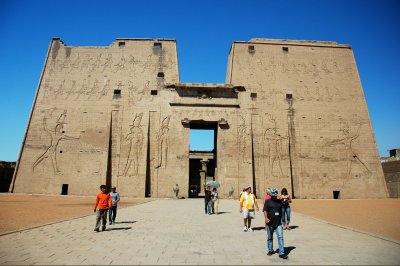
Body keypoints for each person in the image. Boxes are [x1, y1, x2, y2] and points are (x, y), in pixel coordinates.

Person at [263, 187, 288, 259]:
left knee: (280, 237)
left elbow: (286, 204)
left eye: (276, 195)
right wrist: (266, 218)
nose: (275, 197)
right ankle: (270, 250)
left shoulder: (279, 201)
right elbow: (265, 210)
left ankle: (281, 253)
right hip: (270, 223)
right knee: (270, 237)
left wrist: (283, 199)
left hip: (278, 223)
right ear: (271, 195)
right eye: (274, 195)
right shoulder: (267, 201)